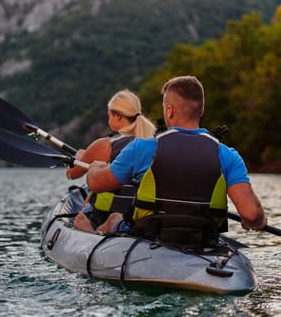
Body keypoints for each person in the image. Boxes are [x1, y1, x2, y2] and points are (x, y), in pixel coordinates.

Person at [86, 75, 266, 238]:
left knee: (114, 218)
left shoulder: (144, 148)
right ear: (201, 111)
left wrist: (94, 168)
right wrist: (257, 221)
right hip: (201, 237)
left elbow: (97, 184)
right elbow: (251, 214)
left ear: (169, 110)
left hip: (151, 233)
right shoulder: (228, 155)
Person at [66, 89, 156, 230]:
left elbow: (72, 174)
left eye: (109, 116)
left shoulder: (105, 145)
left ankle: (91, 229)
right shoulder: (151, 143)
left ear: (118, 116)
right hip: (137, 215)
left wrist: (79, 157)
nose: (109, 121)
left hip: (104, 216)